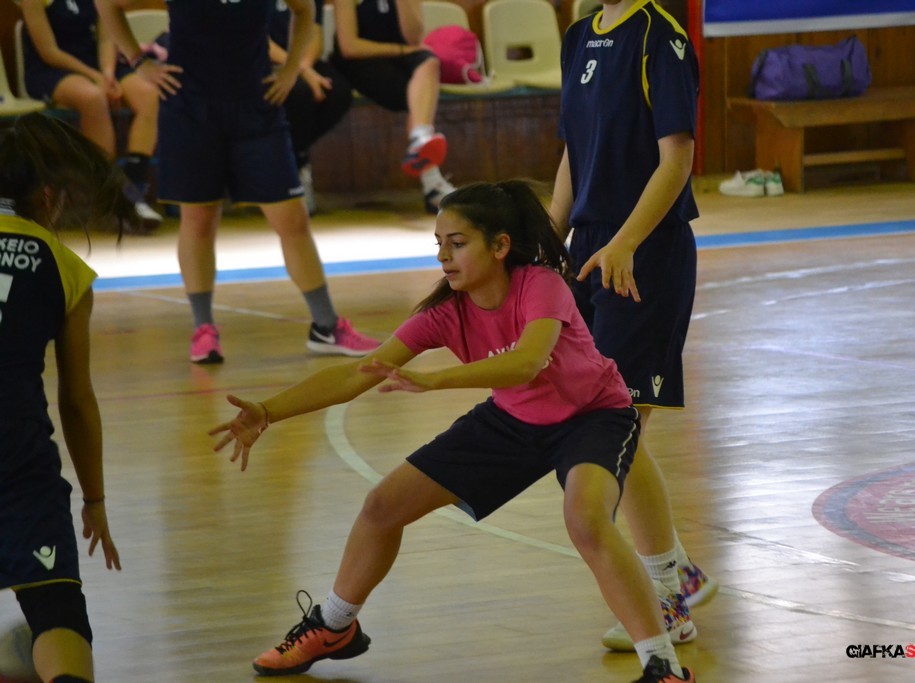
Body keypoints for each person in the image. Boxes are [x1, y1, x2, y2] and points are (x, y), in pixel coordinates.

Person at [209, 181, 695, 682]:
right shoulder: (444, 315)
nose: (444, 256)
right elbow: (358, 373)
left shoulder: (540, 285)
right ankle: (334, 626)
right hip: (512, 420)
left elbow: (527, 362)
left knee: (586, 521)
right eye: (439, 244)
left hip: (593, 416)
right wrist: (268, 411)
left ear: (500, 245)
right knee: (382, 507)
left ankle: (663, 666)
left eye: (457, 243)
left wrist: (436, 380)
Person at [549, 0, 718, 652]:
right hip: (589, 253)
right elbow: (574, 150)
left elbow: (677, 159)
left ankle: (667, 601)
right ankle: (677, 573)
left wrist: (625, 241)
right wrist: (550, 241)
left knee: (613, 427)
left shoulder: (659, 38)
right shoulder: (576, 37)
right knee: (607, 425)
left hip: (644, 256)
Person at [96, 0, 380, 364]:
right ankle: (203, 328)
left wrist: (291, 69)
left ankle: (326, 326)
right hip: (190, 109)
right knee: (199, 220)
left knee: (292, 219)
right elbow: (107, 4)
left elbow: (304, 10)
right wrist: (140, 63)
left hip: (257, 108)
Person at [0, 112, 127, 683]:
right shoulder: (63, 265)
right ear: (47, 197)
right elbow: (76, 399)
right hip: (19, 460)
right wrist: (94, 500)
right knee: (57, 613)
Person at [18, 0, 163, 232]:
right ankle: (109, 194)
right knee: (93, 98)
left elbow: (106, 39)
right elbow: (49, 52)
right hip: (52, 69)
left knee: (149, 96)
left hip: (96, 66)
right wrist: (95, 78)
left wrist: (107, 74)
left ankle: (132, 187)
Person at [329, 0, 456, 213]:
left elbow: (414, 38)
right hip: (359, 61)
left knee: (429, 63)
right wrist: (400, 50)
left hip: (400, 57)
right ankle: (432, 183)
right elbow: (349, 47)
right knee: (417, 94)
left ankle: (420, 138)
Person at [269, 0, 354, 216]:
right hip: (262, 62)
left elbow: (315, 34)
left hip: (301, 63)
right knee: (299, 92)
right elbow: (258, 39)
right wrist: (301, 71)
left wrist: (303, 67)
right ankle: (292, 168)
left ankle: (296, 159)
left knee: (337, 92)